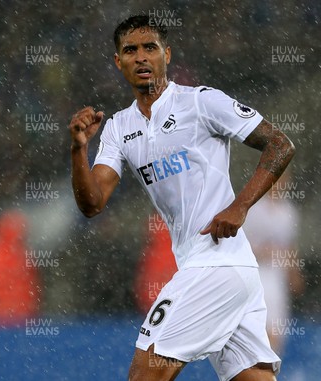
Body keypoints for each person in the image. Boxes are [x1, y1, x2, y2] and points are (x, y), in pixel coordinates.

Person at [68, 15, 295, 381]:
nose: (141, 57)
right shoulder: (118, 128)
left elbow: (280, 144)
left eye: (150, 48)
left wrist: (240, 207)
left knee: (146, 373)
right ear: (118, 61)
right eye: (131, 50)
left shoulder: (202, 103)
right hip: (224, 271)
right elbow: (92, 203)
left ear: (167, 55)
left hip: (216, 265)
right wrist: (79, 150)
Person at [243, 171, 305, 354]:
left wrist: (294, 273)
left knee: (277, 330)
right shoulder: (254, 209)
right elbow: (241, 245)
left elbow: (289, 246)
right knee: (258, 328)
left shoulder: (288, 213)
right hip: (256, 274)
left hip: (277, 277)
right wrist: (264, 252)